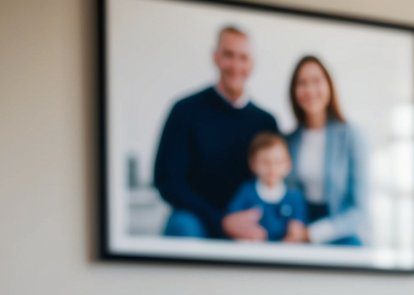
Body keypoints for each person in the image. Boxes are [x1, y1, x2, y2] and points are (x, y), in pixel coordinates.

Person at [153, 25, 279, 240]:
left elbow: (274, 181)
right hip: (198, 218)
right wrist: (221, 221)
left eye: (243, 58)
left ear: (252, 63)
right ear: (215, 57)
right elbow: (167, 181)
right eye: (228, 55)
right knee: (183, 227)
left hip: (249, 220)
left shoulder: (266, 122)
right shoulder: (185, 111)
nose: (236, 65)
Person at [284, 56, 368, 246]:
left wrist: (311, 234)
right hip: (298, 228)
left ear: (329, 86)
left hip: (339, 231)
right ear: (294, 92)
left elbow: (359, 210)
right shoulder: (288, 141)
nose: (310, 90)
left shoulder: (351, 136)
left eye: (316, 81)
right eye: (302, 83)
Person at [225, 133, 308, 243]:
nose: (272, 168)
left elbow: (297, 230)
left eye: (278, 162)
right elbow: (231, 222)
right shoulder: (247, 192)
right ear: (253, 164)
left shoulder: (294, 196)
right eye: (265, 162)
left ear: (288, 164)